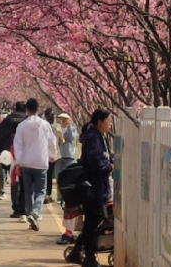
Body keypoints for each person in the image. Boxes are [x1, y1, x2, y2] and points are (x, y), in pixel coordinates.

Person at [76, 110, 114, 267]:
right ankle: (89, 258)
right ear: (100, 122)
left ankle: (78, 252)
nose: (110, 125)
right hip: (94, 187)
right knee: (92, 222)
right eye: (108, 121)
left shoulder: (97, 136)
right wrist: (109, 166)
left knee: (91, 222)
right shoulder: (94, 138)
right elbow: (94, 161)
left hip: (97, 187)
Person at [13, 98, 58, 231]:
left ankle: (30, 215)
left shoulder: (21, 126)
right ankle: (35, 213)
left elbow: (18, 146)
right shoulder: (45, 125)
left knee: (28, 191)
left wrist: (18, 163)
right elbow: (52, 142)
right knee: (41, 191)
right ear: (38, 109)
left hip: (26, 163)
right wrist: (52, 156)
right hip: (41, 162)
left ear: (26, 109)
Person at [54, 113, 79, 244]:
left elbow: (71, 138)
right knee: (59, 177)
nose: (63, 121)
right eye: (62, 119)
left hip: (69, 155)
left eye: (65, 119)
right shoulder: (58, 128)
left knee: (68, 178)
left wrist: (68, 128)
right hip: (59, 155)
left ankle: (65, 196)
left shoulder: (72, 128)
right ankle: (60, 196)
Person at [2, 102, 27, 217]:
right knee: (24, 181)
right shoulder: (26, 120)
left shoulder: (7, 120)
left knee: (13, 179)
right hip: (24, 152)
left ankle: (16, 207)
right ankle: (24, 208)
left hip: (9, 151)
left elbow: (1, 135)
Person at [44, 108, 57, 202]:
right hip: (49, 156)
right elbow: (53, 142)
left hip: (42, 155)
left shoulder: (42, 125)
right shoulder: (55, 126)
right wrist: (54, 155)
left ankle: (46, 194)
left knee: (44, 176)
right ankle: (47, 194)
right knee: (48, 176)